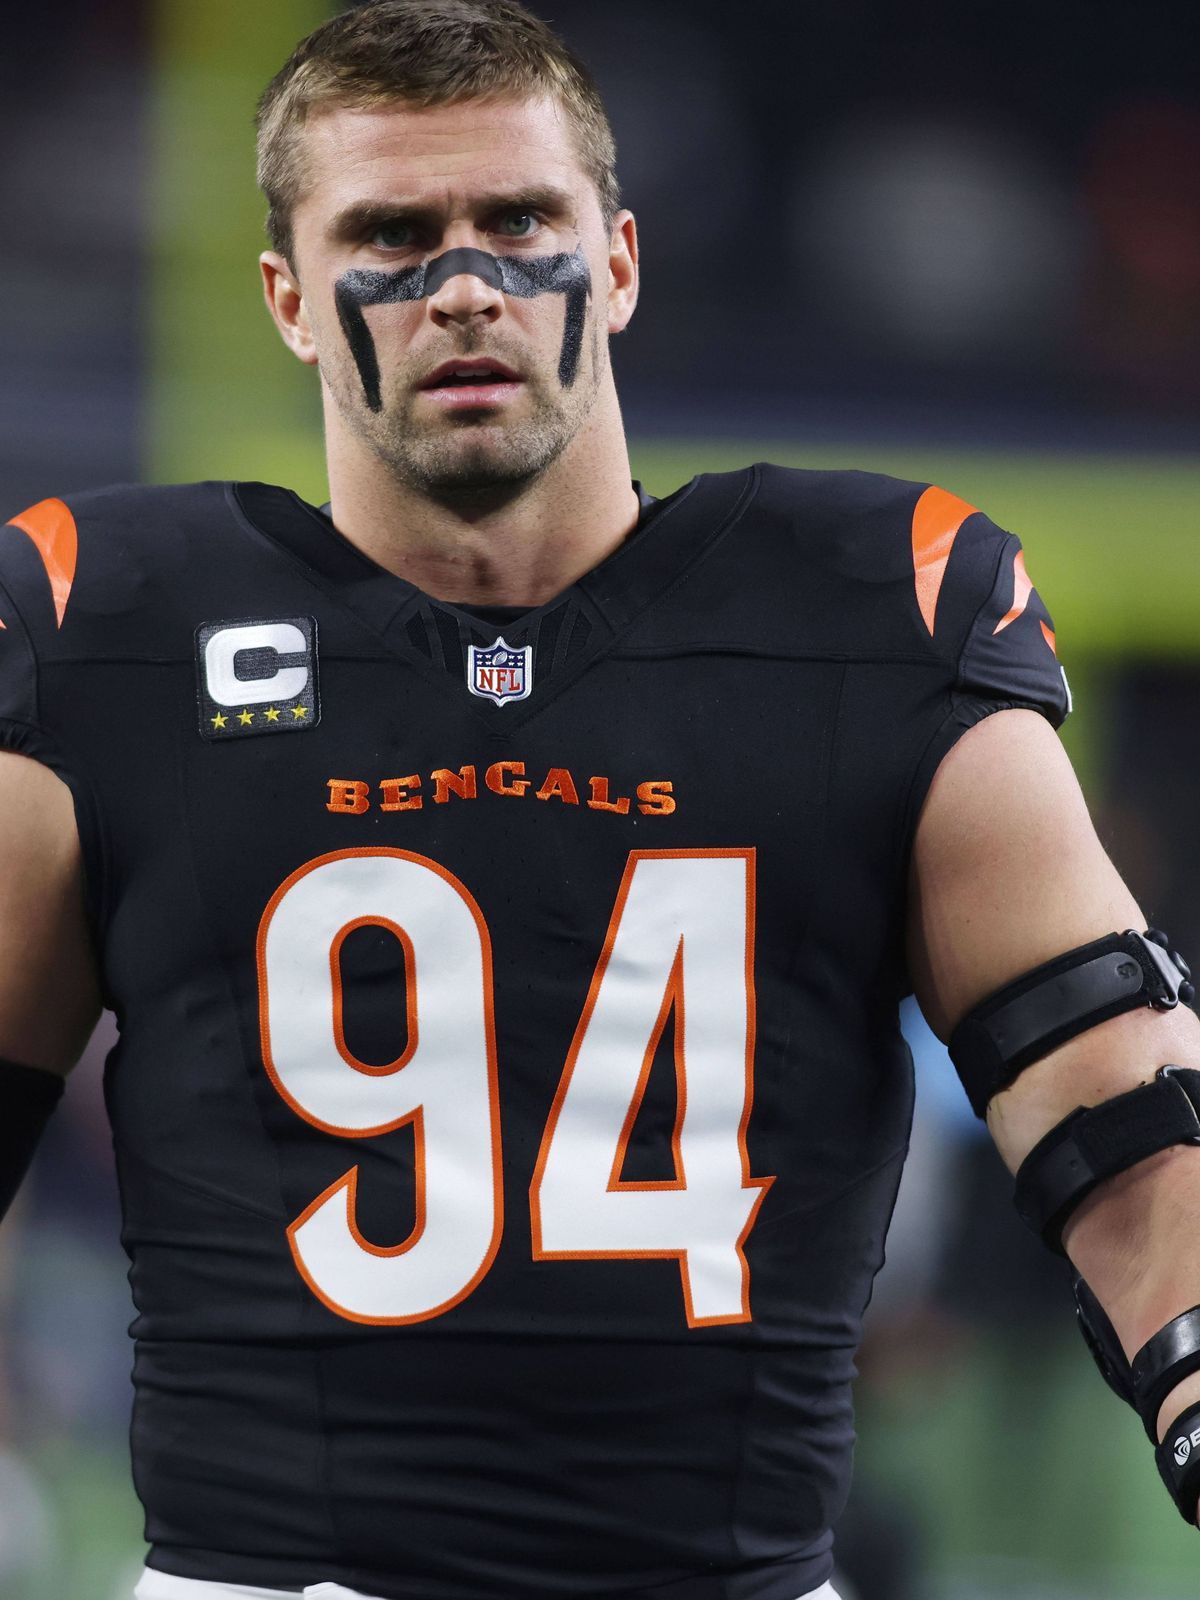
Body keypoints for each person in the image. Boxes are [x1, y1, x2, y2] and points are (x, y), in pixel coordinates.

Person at [1, 3, 1197, 1598]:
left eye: (520, 221)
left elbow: (1124, 1123)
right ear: (289, 301)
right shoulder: (111, 632)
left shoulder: (872, 615)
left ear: (619, 261)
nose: (467, 285)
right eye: (392, 234)